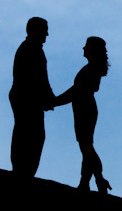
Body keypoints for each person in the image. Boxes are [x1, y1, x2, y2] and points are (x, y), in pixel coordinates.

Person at [54, 36, 111, 194]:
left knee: (86, 145)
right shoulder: (92, 68)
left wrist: (55, 101)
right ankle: (86, 181)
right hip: (84, 107)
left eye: (86, 45)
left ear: (93, 49)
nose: (83, 48)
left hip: (84, 107)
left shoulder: (91, 69)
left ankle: (97, 179)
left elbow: (76, 91)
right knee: (85, 145)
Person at [9, 17, 56, 177]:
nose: (47, 34)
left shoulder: (31, 47)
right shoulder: (31, 48)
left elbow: (40, 77)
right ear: (36, 29)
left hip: (26, 97)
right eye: (45, 29)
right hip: (27, 98)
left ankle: (22, 170)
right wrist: (47, 97)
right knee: (30, 135)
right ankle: (23, 171)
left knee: (28, 133)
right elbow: (37, 77)